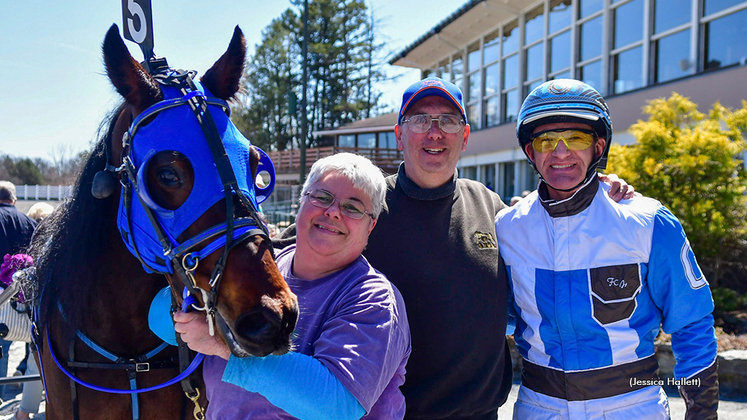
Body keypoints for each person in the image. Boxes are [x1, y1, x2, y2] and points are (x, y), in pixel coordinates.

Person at [358, 77, 633, 420]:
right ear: (399, 135)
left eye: (448, 120)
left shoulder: (491, 208)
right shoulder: (364, 208)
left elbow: (559, 232)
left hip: (481, 414)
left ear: (465, 135)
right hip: (390, 414)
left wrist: (598, 191)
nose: (434, 131)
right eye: (419, 120)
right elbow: (301, 248)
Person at [495, 79, 718, 419]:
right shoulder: (508, 228)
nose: (560, 152)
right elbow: (491, 322)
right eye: (545, 140)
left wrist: (702, 413)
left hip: (632, 407)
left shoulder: (648, 221)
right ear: (530, 151)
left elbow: (692, 324)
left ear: (598, 148)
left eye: (577, 138)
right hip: (539, 407)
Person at [165, 153, 411, 419]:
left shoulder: (374, 298)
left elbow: (336, 407)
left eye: (352, 208)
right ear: (301, 203)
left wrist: (223, 345)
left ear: (370, 226)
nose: (333, 212)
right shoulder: (255, 270)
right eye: (322, 197)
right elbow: (162, 321)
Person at [11, 202, 54, 419]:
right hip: (54, 313)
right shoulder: (56, 242)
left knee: (34, 361)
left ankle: (24, 412)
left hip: (39, 312)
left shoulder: (36, 247)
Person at [0, 181, 37, 401]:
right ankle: (28, 398)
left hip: (1, 298)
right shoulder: (30, 222)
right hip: (25, 296)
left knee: (2, 349)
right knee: (30, 346)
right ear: (14, 200)